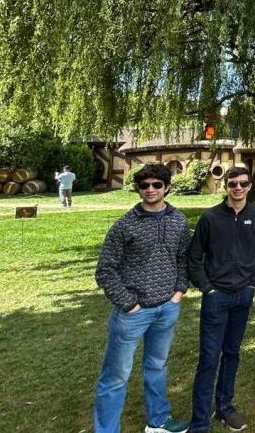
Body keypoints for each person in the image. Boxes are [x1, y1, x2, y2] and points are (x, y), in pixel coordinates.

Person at [92, 163, 191, 433]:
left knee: (157, 366)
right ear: (138, 189)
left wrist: (179, 291)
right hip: (132, 314)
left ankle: (158, 421)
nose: (150, 189)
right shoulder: (125, 225)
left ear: (166, 188)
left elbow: (184, 259)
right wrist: (128, 304)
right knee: (116, 376)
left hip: (167, 309)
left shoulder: (178, 221)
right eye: (144, 185)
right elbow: (105, 270)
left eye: (156, 185)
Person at [186, 166, 255, 433]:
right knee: (209, 358)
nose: (238, 188)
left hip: (242, 296)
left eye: (243, 183)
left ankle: (225, 406)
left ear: (249, 186)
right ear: (226, 186)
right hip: (216, 297)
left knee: (232, 353)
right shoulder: (210, 217)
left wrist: (251, 284)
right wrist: (207, 288)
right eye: (233, 183)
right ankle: (200, 421)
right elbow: (194, 257)